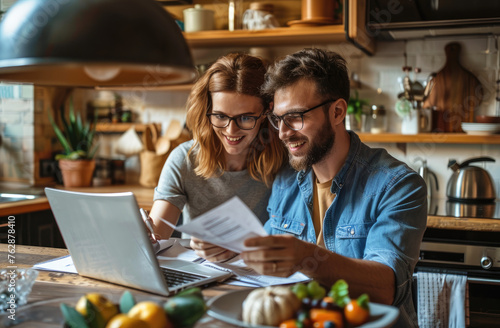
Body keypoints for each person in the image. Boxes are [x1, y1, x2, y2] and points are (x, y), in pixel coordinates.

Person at [240, 48, 427, 327]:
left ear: (337, 112)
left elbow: (386, 287)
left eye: (296, 117)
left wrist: (305, 257)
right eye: (278, 119)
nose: (283, 132)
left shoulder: (398, 185)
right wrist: (229, 251)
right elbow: (268, 268)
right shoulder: (285, 180)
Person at [148, 52, 286, 262]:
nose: (231, 130)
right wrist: (145, 235)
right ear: (208, 110)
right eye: (220, 116)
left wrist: (241, 249)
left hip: (262, 274)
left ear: (266, 113)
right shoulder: (184, 160)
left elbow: (294, 240)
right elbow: (157, 237)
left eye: (246, 118)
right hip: (200, 274)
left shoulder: (284, 160)